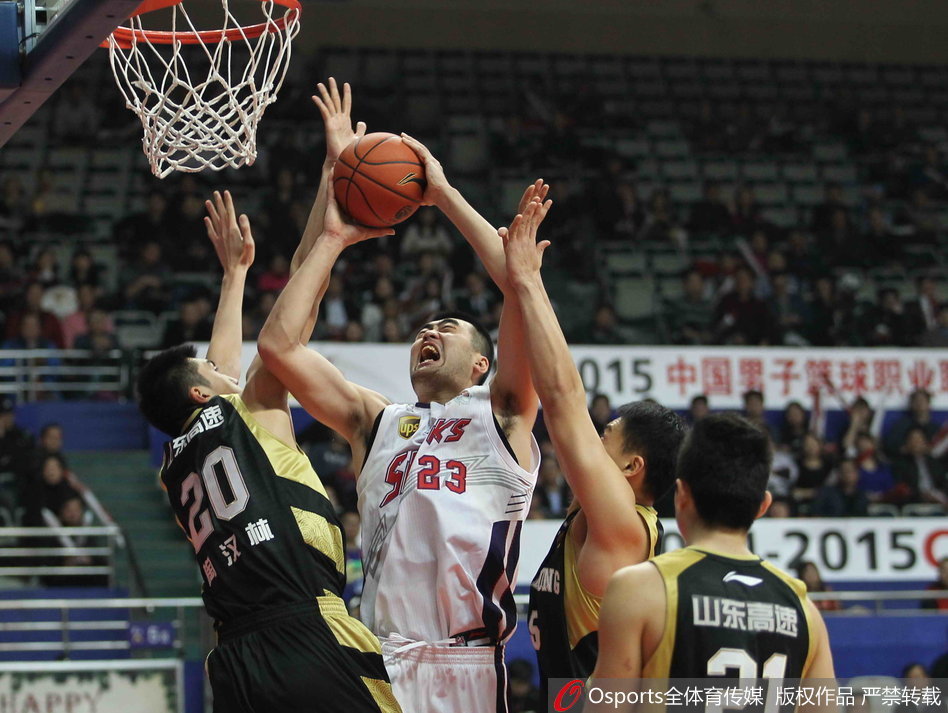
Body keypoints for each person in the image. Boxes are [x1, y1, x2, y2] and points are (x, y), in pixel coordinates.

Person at [258, 80, 540, 713]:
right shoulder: (377, 420)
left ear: (482, 364)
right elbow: (279, 347)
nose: (427, 333)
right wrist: (332, 233)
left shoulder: (504, 413)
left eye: (447, 328)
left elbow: (519, 287)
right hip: (373, 661)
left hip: (462, 663)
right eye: (422, 329)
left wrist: (441, 194)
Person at [136, 88, 400, 713]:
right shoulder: (244, 411)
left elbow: (221, 367)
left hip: (234, 657)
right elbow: (288, 325)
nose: (226, 369)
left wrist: (234, 277)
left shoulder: (177, 461)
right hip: (306, 631)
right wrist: (332, 187)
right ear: (201, 392)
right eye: (212, 371)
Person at [500, 200, 686, 701]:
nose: (594, 440)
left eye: (608, 435)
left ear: (632, 466)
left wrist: (529, 280)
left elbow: (563, 400)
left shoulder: (622, 525)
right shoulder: (595, 520)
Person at [589, 414, 834, 687]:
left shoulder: (637, 588)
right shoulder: (804, 611)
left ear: (681, 495)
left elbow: (606, 703)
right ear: (762, 506)